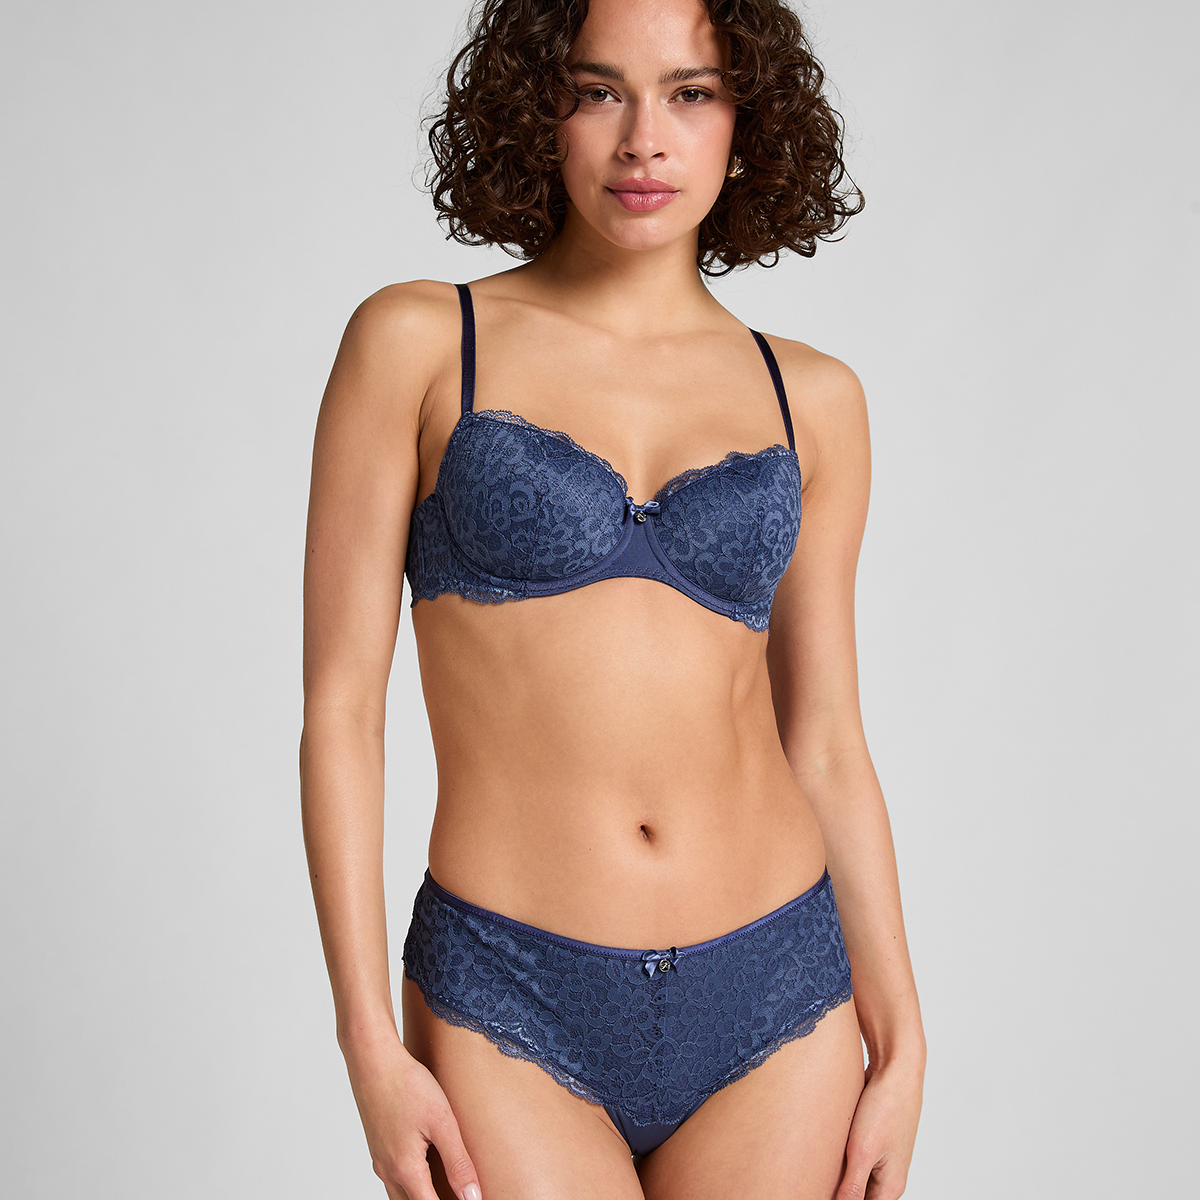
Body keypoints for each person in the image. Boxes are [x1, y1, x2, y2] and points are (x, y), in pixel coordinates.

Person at [300, 0, 925, 1196]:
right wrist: (367, 1044)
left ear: (748, 120)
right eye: (598, 91)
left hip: (780, 992)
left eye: (691, 93)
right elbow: (342, 713)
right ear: (535, 109)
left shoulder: (814, 400)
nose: (645, 138)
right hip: (507, 992)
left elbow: (828, 741)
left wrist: (902, 1042)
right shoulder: (420, 341)